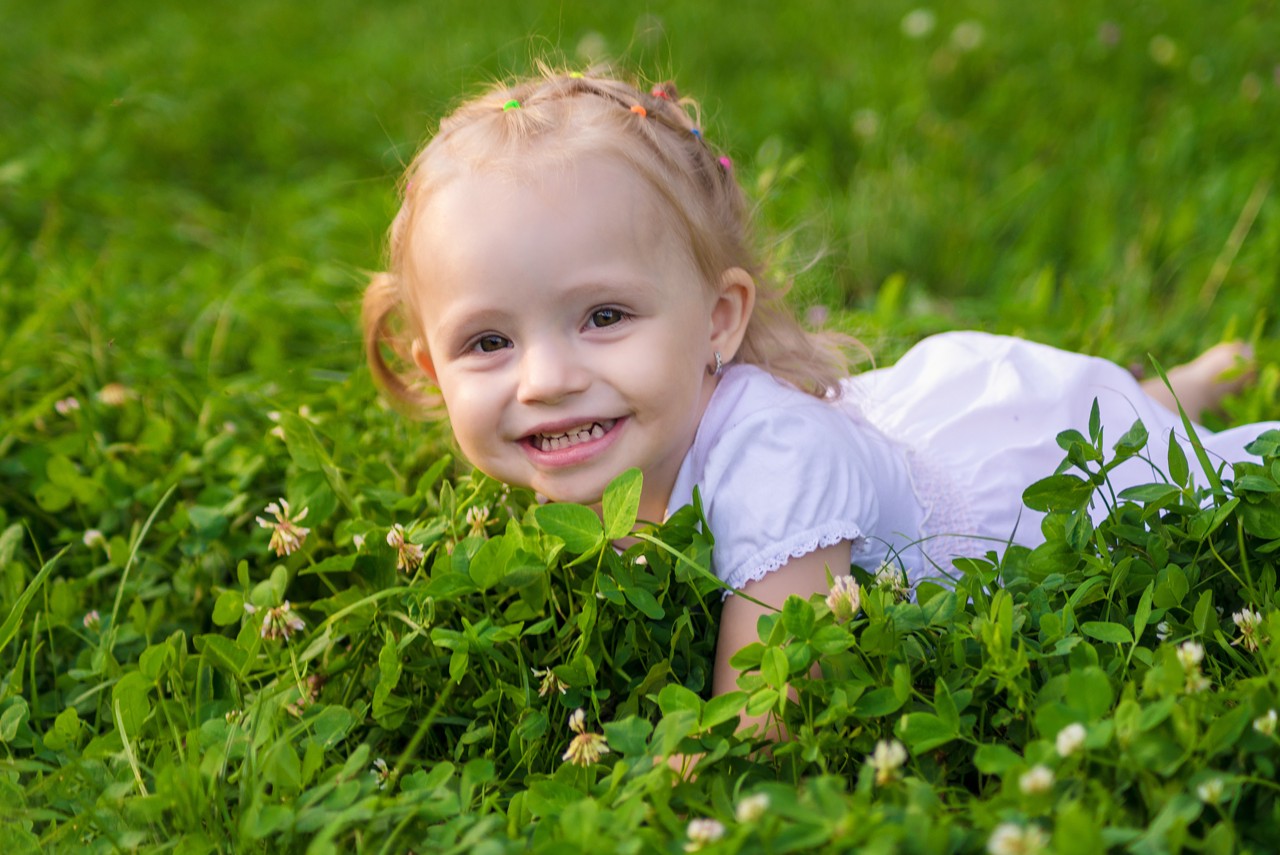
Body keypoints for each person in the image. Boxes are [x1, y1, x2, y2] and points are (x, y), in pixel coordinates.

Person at [362, 68, 1275, 709]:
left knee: (1171, 466)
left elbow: (770, 708)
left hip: (1029, 484)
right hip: (920, 426)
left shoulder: (779, 466)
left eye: (604, 316)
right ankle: (1184, 385)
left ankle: (1182, 399)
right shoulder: (612, 426)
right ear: (431, 365)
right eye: (488, 341)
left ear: (718, 321)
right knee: (1123, 408)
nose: (548, 379)